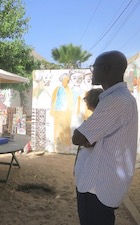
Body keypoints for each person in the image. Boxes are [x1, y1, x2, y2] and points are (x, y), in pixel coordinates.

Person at [72, 50, 138, 225]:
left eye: (94, 67)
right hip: (99, 184)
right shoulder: (118, 98)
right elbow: (88, 138)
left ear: (106, 68)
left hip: (97, 187)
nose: (92, 71)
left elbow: (78, 138)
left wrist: (85, 134)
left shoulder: (116, 100)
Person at [73, 88, 103, 175]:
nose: (85, 102)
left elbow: (76, 139)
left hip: (91, 166)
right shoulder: (98, 117)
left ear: (92, 100)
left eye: (86, 99)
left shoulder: (96, 119)